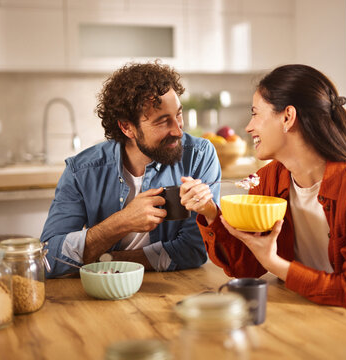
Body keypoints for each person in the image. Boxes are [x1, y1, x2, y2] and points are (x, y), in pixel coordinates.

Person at [180, 64, 346, 340]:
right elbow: (246, 268)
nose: (248, 127)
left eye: (255, 114)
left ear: (287, 117)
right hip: (313, 311)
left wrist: (275, 264)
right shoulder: (268, 179)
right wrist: (209, 211)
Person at [41, 61, 221, 277]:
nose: (178, 131)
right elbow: (48, 257)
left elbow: (194, 249)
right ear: (127, 127)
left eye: (179, 115)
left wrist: (107, 261)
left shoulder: (198, 156)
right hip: (100, 291)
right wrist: (122, 222)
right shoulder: (82, 171)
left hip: (171, 287)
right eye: (163, 122)